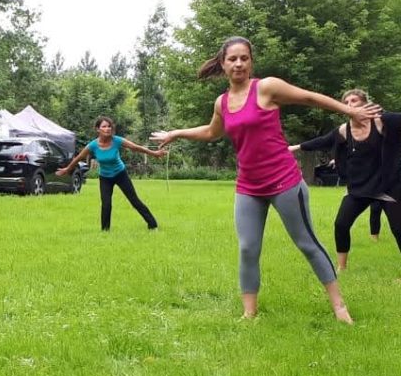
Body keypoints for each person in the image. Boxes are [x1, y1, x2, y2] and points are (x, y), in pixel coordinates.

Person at [150, 37, 380, 324]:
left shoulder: (267, 88)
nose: (238, 64)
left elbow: (308, 97)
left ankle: (339, 307)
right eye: (232, 59)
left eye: (244, 58)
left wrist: (349, 111)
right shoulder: (222, 102)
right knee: (248, 247)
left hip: (284, 181)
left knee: (306, 242)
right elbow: (212, 132)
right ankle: (249, 313)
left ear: (251, 62)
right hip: (248, 186)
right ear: (223, 64)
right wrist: (176, 133)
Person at [288, 88, 401, 271]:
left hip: (387, 187)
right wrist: (295, 147)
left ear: (364, 104)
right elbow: (322, 141)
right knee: (341, 224)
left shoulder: (382, 122)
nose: (349, 105)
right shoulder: (343, 130)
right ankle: (342, 267)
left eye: (354, 101)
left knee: (399, 229)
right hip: (359, 188)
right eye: (346, 103)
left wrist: (382, 112)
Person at [57, 116, 166, 231]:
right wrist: (67, 169)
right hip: (105, 177)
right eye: (104, 126)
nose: (107, 129)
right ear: (98, 129)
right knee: (106, 204)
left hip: (120, 174)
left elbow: (136, 147)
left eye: (109, 126)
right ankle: (105, 231)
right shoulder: (92, 145)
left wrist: (154, 153)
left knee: (134, 201)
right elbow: (78, 158)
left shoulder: (117, 140)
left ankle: (153, 225)